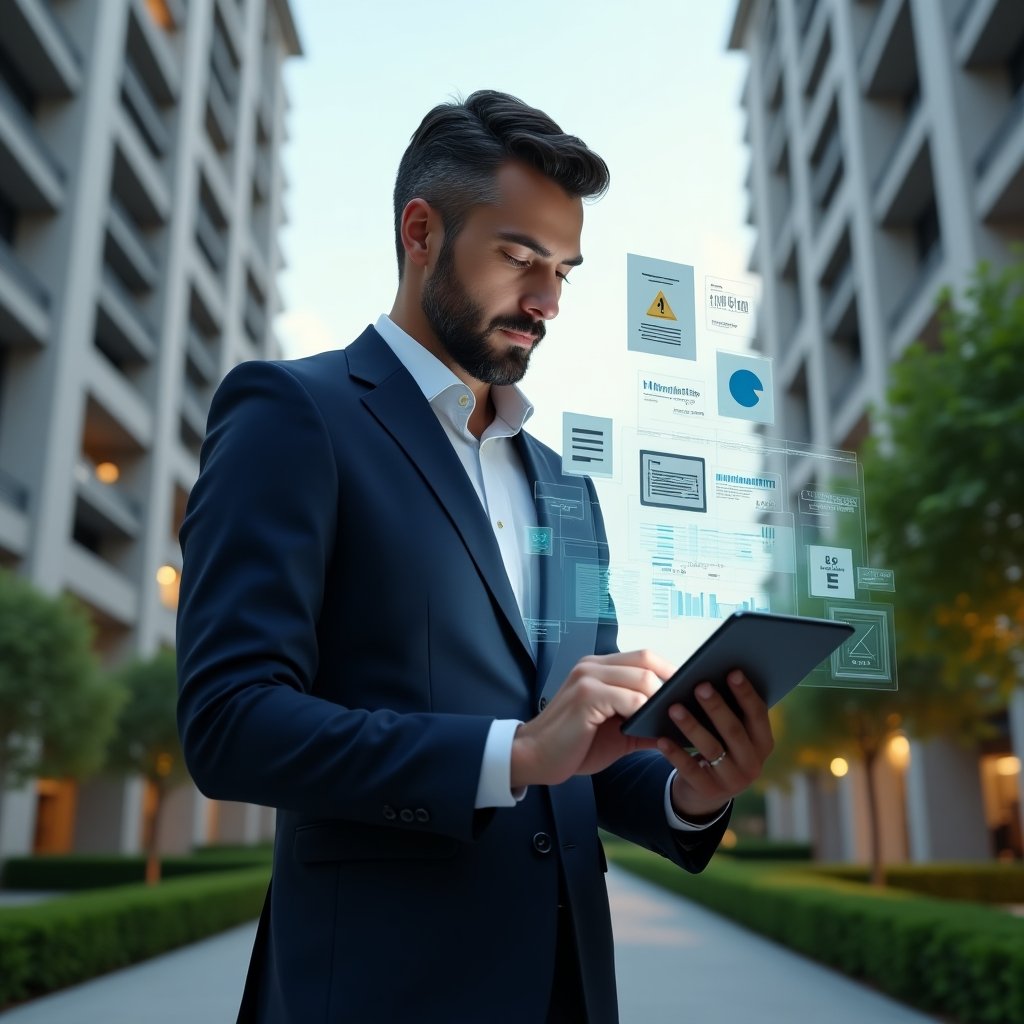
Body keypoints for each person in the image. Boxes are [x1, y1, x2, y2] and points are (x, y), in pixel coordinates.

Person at [176, 89, 774, 1024]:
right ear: (421, 232)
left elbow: (585, 751)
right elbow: (231, 723)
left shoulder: (565, 488)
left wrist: (689, 790)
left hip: (565, 990)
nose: (548, 301)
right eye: (519, 257)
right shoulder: (294, 414)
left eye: (564, 270)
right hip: (376, 991)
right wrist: (518, 751)